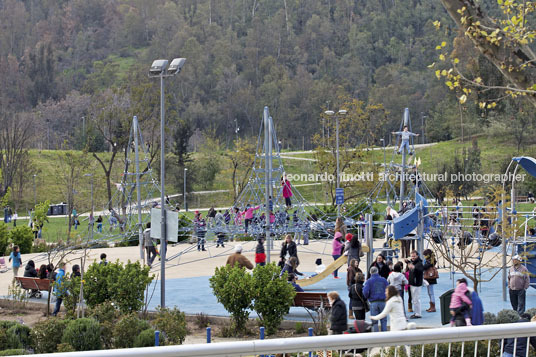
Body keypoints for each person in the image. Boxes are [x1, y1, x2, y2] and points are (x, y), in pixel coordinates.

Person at [363, 266, 389, 332]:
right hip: (383, 301)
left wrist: (368, 297)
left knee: (374, 321)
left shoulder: (369, 281)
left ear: (370, 272)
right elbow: (388, 289)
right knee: (383, 320)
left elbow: (365, 291)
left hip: (373, 302)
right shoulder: (383, 280)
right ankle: (384, 335)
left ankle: (376, 336)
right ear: (378, 271)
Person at [407, 250, 424, 319]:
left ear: (417, 256)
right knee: (414, 299)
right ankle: (416, 312)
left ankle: (418, 313)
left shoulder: (419, 263)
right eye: (412, 256)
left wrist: (414, 268)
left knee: (416, 299)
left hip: (416, 284)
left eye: (414, 256)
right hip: (413, 283)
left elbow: (420, 270)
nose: (413, 257)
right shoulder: (413, 262)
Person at [422, 248, 438, 313]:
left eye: (425, 255)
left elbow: (425, 267)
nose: (424, 257)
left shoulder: (430, 261)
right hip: (431, 277)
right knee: (430, 292)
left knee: (431, 293)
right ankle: (431, 306)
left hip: (430, 278)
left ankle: (433, 307)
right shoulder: (431, 260)